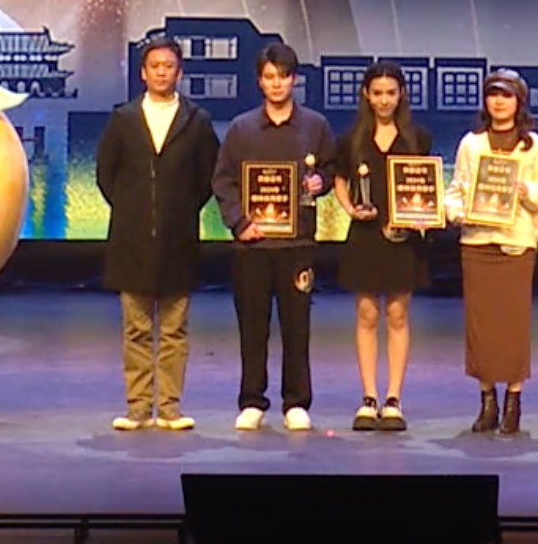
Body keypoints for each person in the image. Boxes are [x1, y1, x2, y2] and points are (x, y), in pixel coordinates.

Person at [93, 34, 220, 431]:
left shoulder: (196, 121)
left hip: (178, 239)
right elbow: (106, 175)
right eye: (155, 66)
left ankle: (169, 408)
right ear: (143, 73)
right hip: (130, 240)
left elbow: (208, 177)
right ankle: (137, 407)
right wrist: (132, 209)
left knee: (173, 329)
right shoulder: (124, 119)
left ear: (179, 72)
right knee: (135, 328)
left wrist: (179, 210)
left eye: (169, 66)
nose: (162, 73)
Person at [211, 41, 333, 431]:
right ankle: (252, 400)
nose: (277, 83)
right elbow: (223, 181)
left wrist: (321, 181)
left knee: (297, 327)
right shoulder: (242, 128)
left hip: (297, 243)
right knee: (253, 325)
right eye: (269, 77)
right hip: (254, 243)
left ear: (294, 80)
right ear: (259, 81)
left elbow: (330, 170)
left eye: (283, 76)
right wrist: (239, 223)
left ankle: (296, 401)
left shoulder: (315, 125)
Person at [447, 70, 538, 435]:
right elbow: (456, 190)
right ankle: (487, 401)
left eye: (506, 95)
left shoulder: (533, 146)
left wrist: (527, 192)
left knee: (512, 325)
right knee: (481, 327)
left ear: (518, 101)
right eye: (493, 94)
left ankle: (513, 399)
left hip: (516, 244)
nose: (499, 101)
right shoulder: (471, 144)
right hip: (478, 243)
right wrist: (457, 213)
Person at [330, 62, 432, 431]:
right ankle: (369, 397)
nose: (384, 100)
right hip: (366, 236)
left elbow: (426, 186)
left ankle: (393, 399)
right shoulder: (351, 140)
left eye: (391, 93)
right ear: (366, 95)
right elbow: (339, 179)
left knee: (398, 315)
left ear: (401, 94)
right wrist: (349, 209)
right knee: (367, 315)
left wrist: (424, 215)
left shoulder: (417, 138)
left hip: (403, 238)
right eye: (377, 93)